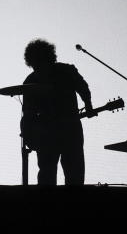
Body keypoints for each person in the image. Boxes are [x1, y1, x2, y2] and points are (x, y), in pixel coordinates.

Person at [21, 39, 93, 185]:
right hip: (66, 130)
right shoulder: (66, 70)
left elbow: (28, 114)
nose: (36, 68)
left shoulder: (32, 80)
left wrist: (30, 133)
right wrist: (89, 106)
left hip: (52, 133)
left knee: (50, 175)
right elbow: (83, 88)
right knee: (73, 174)